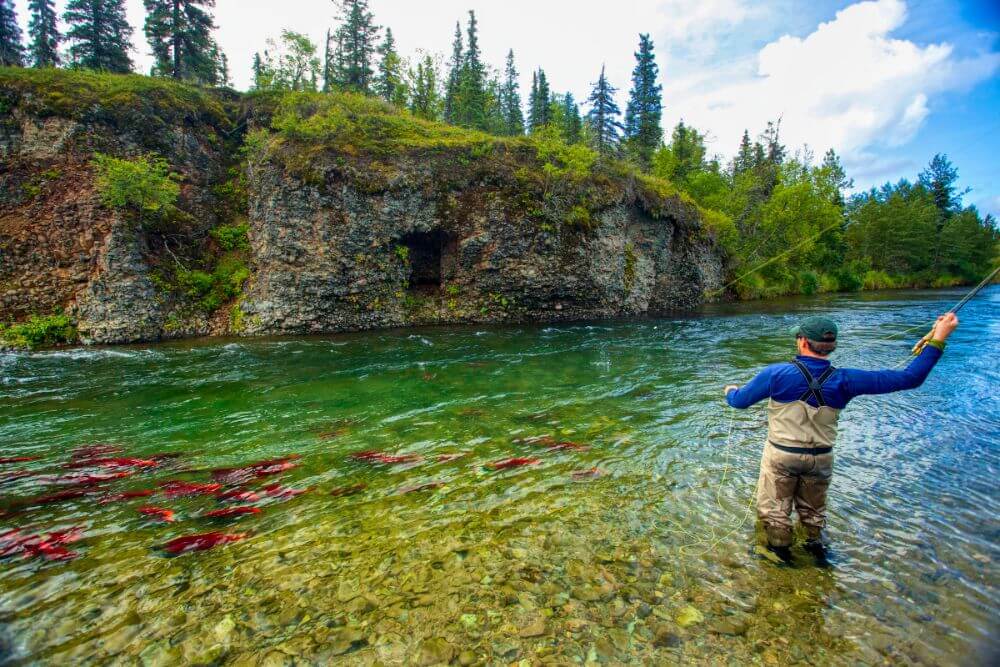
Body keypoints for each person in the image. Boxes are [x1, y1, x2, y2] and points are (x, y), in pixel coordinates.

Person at [723, 312, 959, 564]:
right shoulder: (845, 379)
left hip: (782, 455)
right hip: (821, 458)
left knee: (774, 514)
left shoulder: (776, 374)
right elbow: (910, 378)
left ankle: (780, 560)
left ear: (802, 341)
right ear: (831, 346)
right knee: (813, 514)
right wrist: (938, 339)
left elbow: (739, 402)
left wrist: (730, 391)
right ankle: (817, 557)